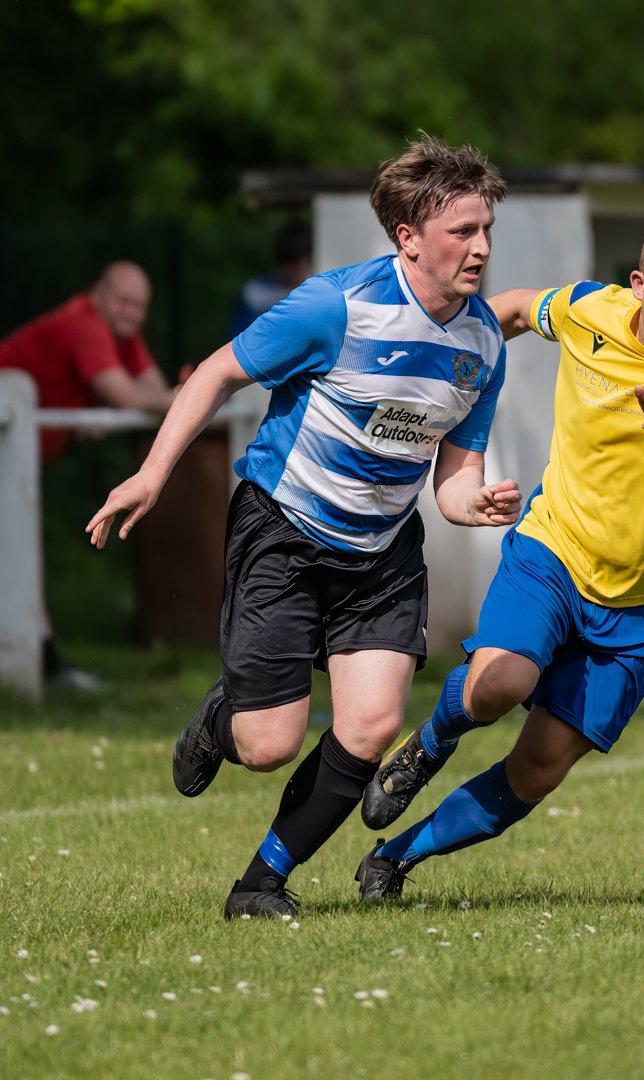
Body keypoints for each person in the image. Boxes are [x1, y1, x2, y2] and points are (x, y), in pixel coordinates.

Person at [85, 134, 520, 920]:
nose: (481, 247)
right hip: (284, 532)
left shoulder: (483, 342)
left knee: (372, 725)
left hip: (383, 550)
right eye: (463, 231)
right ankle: (223, 717)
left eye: (486, 229)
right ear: (408, 237)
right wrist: (152, 473)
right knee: (268, 745)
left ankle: (260, 885)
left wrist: (474, 504)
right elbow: (218, 372)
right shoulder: (336, 306)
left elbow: (454, 475)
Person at [354, 217, 644, 900]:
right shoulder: (588, 309)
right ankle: (431, 741)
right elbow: (514, 310)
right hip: (555, 552)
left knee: (538, 768)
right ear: (638, 285)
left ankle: (395, 858)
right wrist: (440, 351)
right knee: (499, 684)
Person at [0, 261, 177, 689]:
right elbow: (131, 395)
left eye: (138, 306)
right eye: (122, 301)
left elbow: (147, 392)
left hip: (14, 462)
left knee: (16, 551)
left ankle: (45, 665)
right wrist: (186, 397)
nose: (130, 312)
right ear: (98, 293)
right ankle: (43, 667)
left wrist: (166, 398)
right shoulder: (83, 324)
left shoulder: (119, 332)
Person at [229, 217, 314, 337]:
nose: (290, 270)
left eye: (296, 264)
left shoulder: (317, 291)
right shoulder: (255, 294)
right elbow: (237, 339)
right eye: (285, 262)